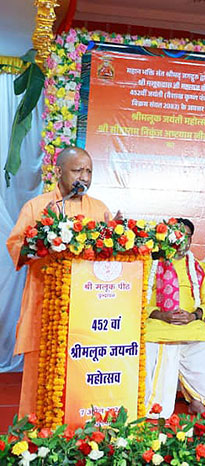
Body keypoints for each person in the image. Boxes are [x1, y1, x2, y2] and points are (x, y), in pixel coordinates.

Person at [6, 147, 117, 416]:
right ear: (58, 171)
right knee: (40, 380)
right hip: (45, 305)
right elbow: (16, 246)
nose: (84, 177)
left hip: (87, 310)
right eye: (77, 170)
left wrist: (113, 237)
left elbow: (108, 259)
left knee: (82, 375)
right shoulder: (37, 207)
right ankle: (34, 431)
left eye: (89, 171)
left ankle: (81, 429)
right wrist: (43, 240)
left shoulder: (99, 209)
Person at [144, 218, 205, 417]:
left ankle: (197, 400)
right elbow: (139, 299)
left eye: (187, 236)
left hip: (190, 323)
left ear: (191, 239)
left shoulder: (200, 268)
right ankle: (150, 403)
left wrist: (194, 315)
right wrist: (161, 314)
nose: (182, 239)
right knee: (148, 345)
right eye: (178, 234)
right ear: (168, 237)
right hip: (158, 322)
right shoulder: (151, 265)